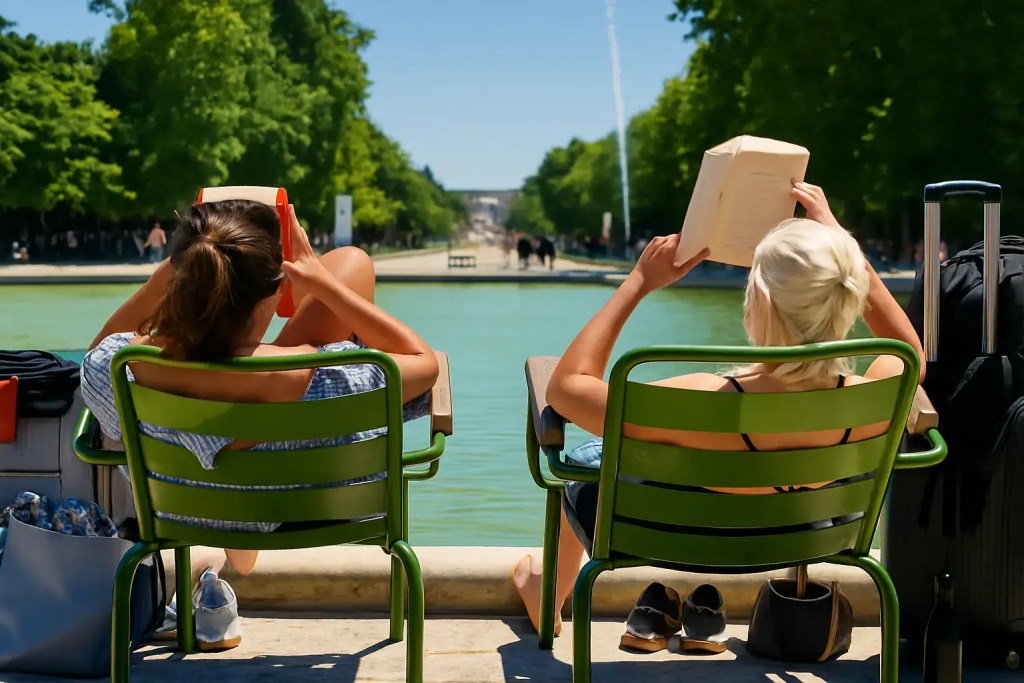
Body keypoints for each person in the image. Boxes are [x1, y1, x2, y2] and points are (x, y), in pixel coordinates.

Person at [512, 182, 925, 637]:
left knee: (591, 457)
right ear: (851, 293)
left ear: (758, 301)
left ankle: (548, 592)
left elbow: (566, 391)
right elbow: (912, 351)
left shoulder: (701, 398)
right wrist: (843, 247)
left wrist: (638, 282)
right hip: (801, 536)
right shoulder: (875, 395)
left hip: (669, 538)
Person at [80, 200, 438, 647]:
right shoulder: (327, 375)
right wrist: (325, 286)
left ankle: (232, 518)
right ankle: (244, 512)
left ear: (181, 281)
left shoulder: (119, 366)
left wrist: (161, 283)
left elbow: (91, 361)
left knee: (351, 264)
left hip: (184, 509)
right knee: (351, 266)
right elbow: (424, 364)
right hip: (306, 510)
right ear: (274, 293)